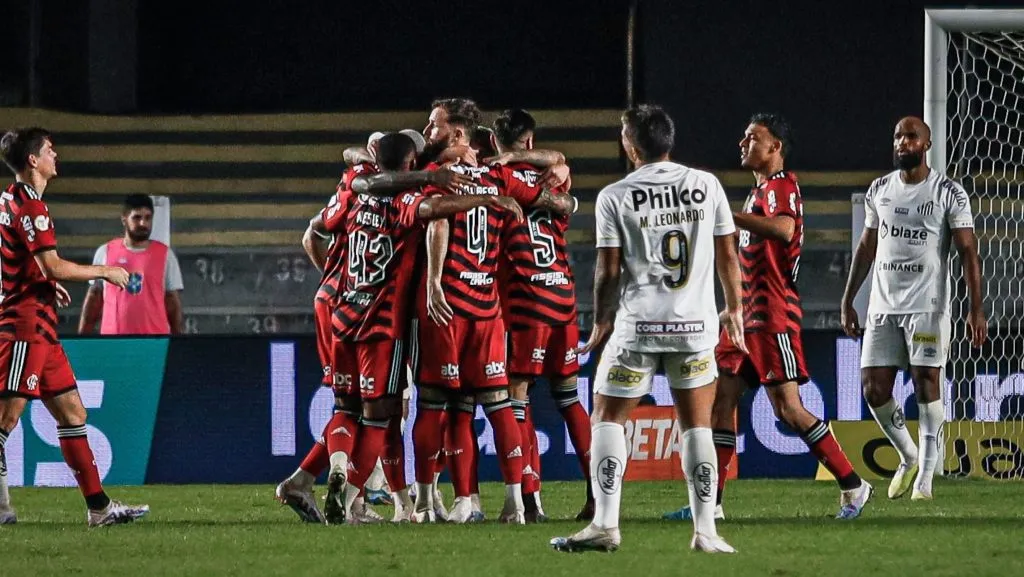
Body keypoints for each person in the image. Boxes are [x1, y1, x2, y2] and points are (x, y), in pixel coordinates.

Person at [550, 105, 742, 553]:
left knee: (608, 417)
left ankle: (605, 524)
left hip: (638, 329)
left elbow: (607, 269)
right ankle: (706, 532)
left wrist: (601, 319)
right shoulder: (706, 184)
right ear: (668, 141)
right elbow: (728, 254)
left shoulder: (616, 195)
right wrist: (734, 308)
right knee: (697, 426)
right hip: (694, 326)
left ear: (631, 145)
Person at [663, 114, 872, 522]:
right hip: (746, 317)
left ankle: (853, 485)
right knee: (720, 403)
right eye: (743, 136)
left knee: (789, 410)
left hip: (773, 317)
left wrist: (726, 214)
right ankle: (711, 505)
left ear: (775, 147)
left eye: (753, 137)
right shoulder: (756, 193)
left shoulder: (782, 187)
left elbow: (782, 229)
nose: (743, 143)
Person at [323, 132, 522, 524]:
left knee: (345, 409)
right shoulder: (404, 201)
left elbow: (321, 225)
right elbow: (433, 209)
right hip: (382, 323)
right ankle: (348, 500)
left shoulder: (356, 188)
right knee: (382, 417)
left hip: (342, 316)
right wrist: (485, 197)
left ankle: (342, 467)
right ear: (412, 163)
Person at [413, 113, 576, 524]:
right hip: (488, 307)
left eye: (434, 126)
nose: (429, 133)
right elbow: (549, 189)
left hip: (448, 304)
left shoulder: (441, 175)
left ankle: (436, 502)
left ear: (458, 133)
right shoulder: (498, 180)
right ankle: (517, 502)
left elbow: (436, 220)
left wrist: (433, 281)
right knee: (500, 404)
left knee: (443, 404)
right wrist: (560, 184)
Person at [0, 127, 148, 526]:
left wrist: (47, 285)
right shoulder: (31, 207)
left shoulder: (11, 199)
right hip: (24, 326)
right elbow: (51, 263)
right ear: (33, 160)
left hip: (41, 322)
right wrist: (103, 271)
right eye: (49, 150)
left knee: (72, 413)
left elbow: (25, 259)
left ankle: (98, 509)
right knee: (4, 420)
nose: (55, 155)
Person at [841, 116, 986, 500]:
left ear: (927, 144)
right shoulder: (879, 190)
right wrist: (849, 299)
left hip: (927, 306)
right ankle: (908, 454)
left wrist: (976, 308)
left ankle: (925, 476)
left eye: (910, 136)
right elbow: (867, 247)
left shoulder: (948, 192)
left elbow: (968, 251)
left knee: (926, 383)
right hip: (883, 306)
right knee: (873, 389)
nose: (902, 142)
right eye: (897, 137)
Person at [490, 108, 594, 523]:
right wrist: (556, 164)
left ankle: (528, 499)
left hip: (524, 300)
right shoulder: (558, 177)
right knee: (569, 398)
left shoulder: (497, 176)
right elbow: (560, 171)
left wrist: (506, 161)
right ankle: (597, 496)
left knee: (517, 397)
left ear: (497, 144)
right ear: (530, 142)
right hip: (563, 296)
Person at [77, 194, 184, 335]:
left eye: (147, 218)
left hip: (155, 340)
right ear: (124, 219)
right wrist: (82, 338)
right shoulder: (105, 252)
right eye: (137, 217)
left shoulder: (166, 255)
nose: (143, 224)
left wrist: (178, 339)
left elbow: (172, 302)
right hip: (113, 340)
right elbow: (94, 298)